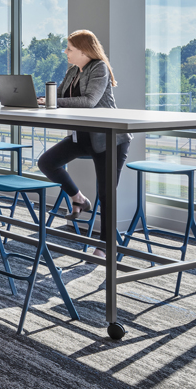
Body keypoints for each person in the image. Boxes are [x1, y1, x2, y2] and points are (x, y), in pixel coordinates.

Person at [36, 30, 132, 258]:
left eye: (69, 48)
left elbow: (89, 101)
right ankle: (78, 198)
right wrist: (41, 100)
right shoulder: (72, 71)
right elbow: (58, 96)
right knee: (47, 162)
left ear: (84, 50)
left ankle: (106, 246)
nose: (66, 52)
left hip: (109, 138)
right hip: (83, 136)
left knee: (106, 193)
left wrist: (52, 102)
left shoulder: (99, 68)